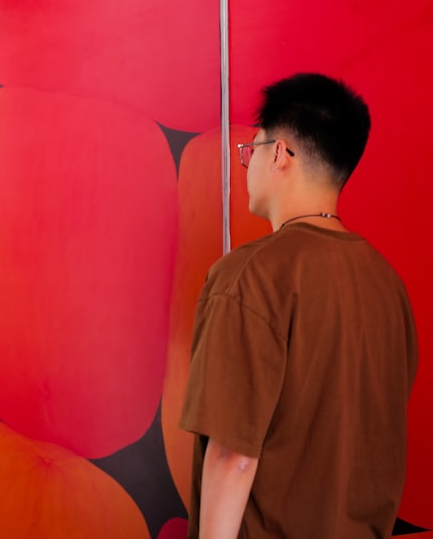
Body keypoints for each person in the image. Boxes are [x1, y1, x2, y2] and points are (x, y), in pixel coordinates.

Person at [179, 73, 419, 538]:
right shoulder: (388, 285)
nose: (247, 165)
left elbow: (234, 456)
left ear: (280, 154)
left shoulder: (251, 276)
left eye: (251, 151)